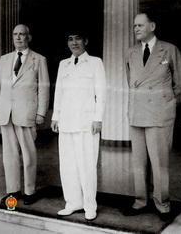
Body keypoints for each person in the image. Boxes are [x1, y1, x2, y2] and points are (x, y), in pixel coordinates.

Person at [124, 13, 181, 220]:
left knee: (159, 162)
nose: (136, 29)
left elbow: (180, 82)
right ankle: (140, 200)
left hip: (159, 112)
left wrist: (163, 99)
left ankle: (162, 203)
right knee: (138, 161)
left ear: (152, 25)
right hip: (137, 111)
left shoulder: (169, 49)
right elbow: (130, 81)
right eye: (134, 26)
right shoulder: (131, 52)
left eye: (140, 25)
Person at [0, 24, 50, 205]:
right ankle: (13, 191)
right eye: (15, 34)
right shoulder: (5, 59)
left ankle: (30, 191)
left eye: (22, 34)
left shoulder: (39, 60)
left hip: (27, 113)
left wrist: (41, 113)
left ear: (28, 37)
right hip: (5, 112)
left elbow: (44, 88)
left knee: (28, 153)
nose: (18, 38)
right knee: (9, 154)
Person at [51, 31, 106, 221]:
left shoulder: (95, 63)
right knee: (67, 166)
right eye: (70, 39)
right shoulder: (63, 64)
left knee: (87, 166)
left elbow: (101, 93)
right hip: (66, 122)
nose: (73, 43)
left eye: (77, 38)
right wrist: (55, 116)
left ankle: (90, 205)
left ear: (86, 40)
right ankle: (73, 202)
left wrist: (98, 118)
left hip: (86, 123)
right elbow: (58, 92)